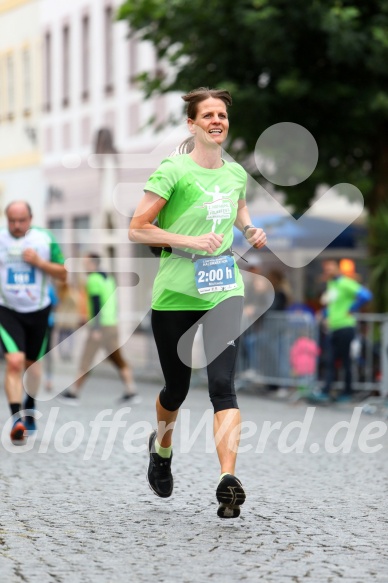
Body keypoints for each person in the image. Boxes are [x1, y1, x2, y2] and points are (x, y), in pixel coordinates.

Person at [129, 87, 267, 519]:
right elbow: (138, 227)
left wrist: (248, 229)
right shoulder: (173, 170)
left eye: (222, 114)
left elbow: (237, 206)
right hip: (175, 292)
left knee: (223, 387)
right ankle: (162, 448)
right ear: (192, 124)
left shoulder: (236, 173)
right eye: (207, 114)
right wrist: (188, 240)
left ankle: (227, 480)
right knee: (176, 389)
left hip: (224, 287)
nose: (216, 120)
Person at [0, 201, 67, 442]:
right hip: (7, 310)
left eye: (22, 221)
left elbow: (63, 272)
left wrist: (39, 263)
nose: (17, 226)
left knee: (32, 367)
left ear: (31, 218)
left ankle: (30, 405)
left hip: (38, 311)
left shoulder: (44, 240)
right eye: (12, 221)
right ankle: (16, 419)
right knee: (15, 361)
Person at [59, 253, 139, 404]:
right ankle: (131, 391)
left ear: (92, 264)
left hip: (100, 327)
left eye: (86, 262)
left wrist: (95, 328)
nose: (84, 265)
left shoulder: (93, 280)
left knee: (86, 359)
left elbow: (96, 304)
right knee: (118, 359)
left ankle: (73, 393)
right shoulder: (109, 278)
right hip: (112, 324)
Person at [313, 259, 372, 402]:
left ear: (338, 269)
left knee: (345, 361)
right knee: (330, 360)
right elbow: (334, 305)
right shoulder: (331, 284)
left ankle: (347, 392)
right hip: (333, 327)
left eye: (331, 269)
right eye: (326, 269)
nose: (328, 272)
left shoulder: (345, 282)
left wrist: (351, 308)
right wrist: (324, 314)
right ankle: (327, 391)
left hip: (346, 326)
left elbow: (366, 295)